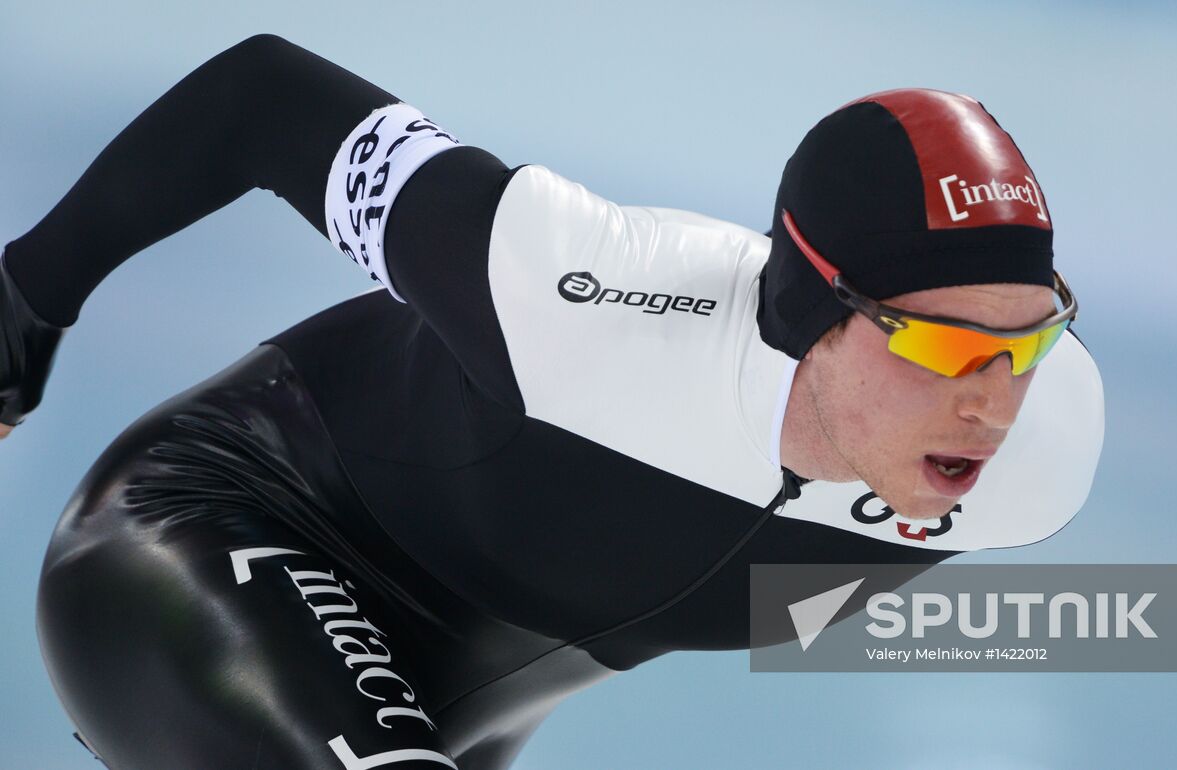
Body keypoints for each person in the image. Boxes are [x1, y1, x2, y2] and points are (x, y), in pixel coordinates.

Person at [1, 34, 1103, 769]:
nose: (992, 402)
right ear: (812, 311)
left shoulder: (1043, 455)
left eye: (1029, 339)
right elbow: (265, 100)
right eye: (944, 345)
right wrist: (21, 307)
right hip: (220, 524)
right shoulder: (580, 289)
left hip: (472, 699)